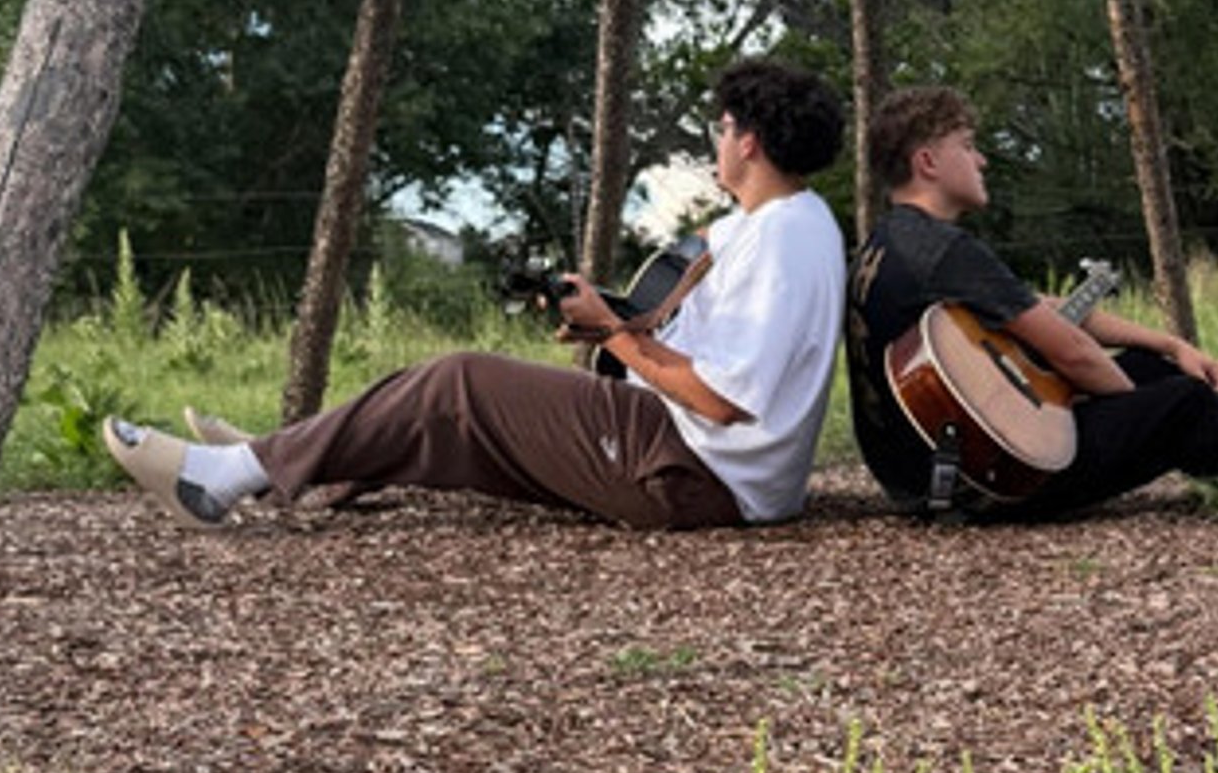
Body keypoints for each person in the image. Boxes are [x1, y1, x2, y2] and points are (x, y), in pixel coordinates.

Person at [103, 58, 848, 531]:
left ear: (749, 141)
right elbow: (701, 344)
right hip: (694, 457)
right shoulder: (769, 224)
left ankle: (224, 479)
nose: (715, 140)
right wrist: (607, 318)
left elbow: (722, 399)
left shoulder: (785, 237)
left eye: (722, 127)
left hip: (700, 474)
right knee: (461, 409)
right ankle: (279, 462)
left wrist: (615, 335)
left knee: (459, 383)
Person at [845, 85, 1218, 520]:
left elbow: (1039, 307)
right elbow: (1072, 352)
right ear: (927, 162)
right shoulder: (944, 250)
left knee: (1158, 368)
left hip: (925, 475)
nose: (982, 160)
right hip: (994, 478)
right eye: (968, 147)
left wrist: (1168, 343)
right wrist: (1143, 409)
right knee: (1182, 403)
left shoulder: (889, 243)